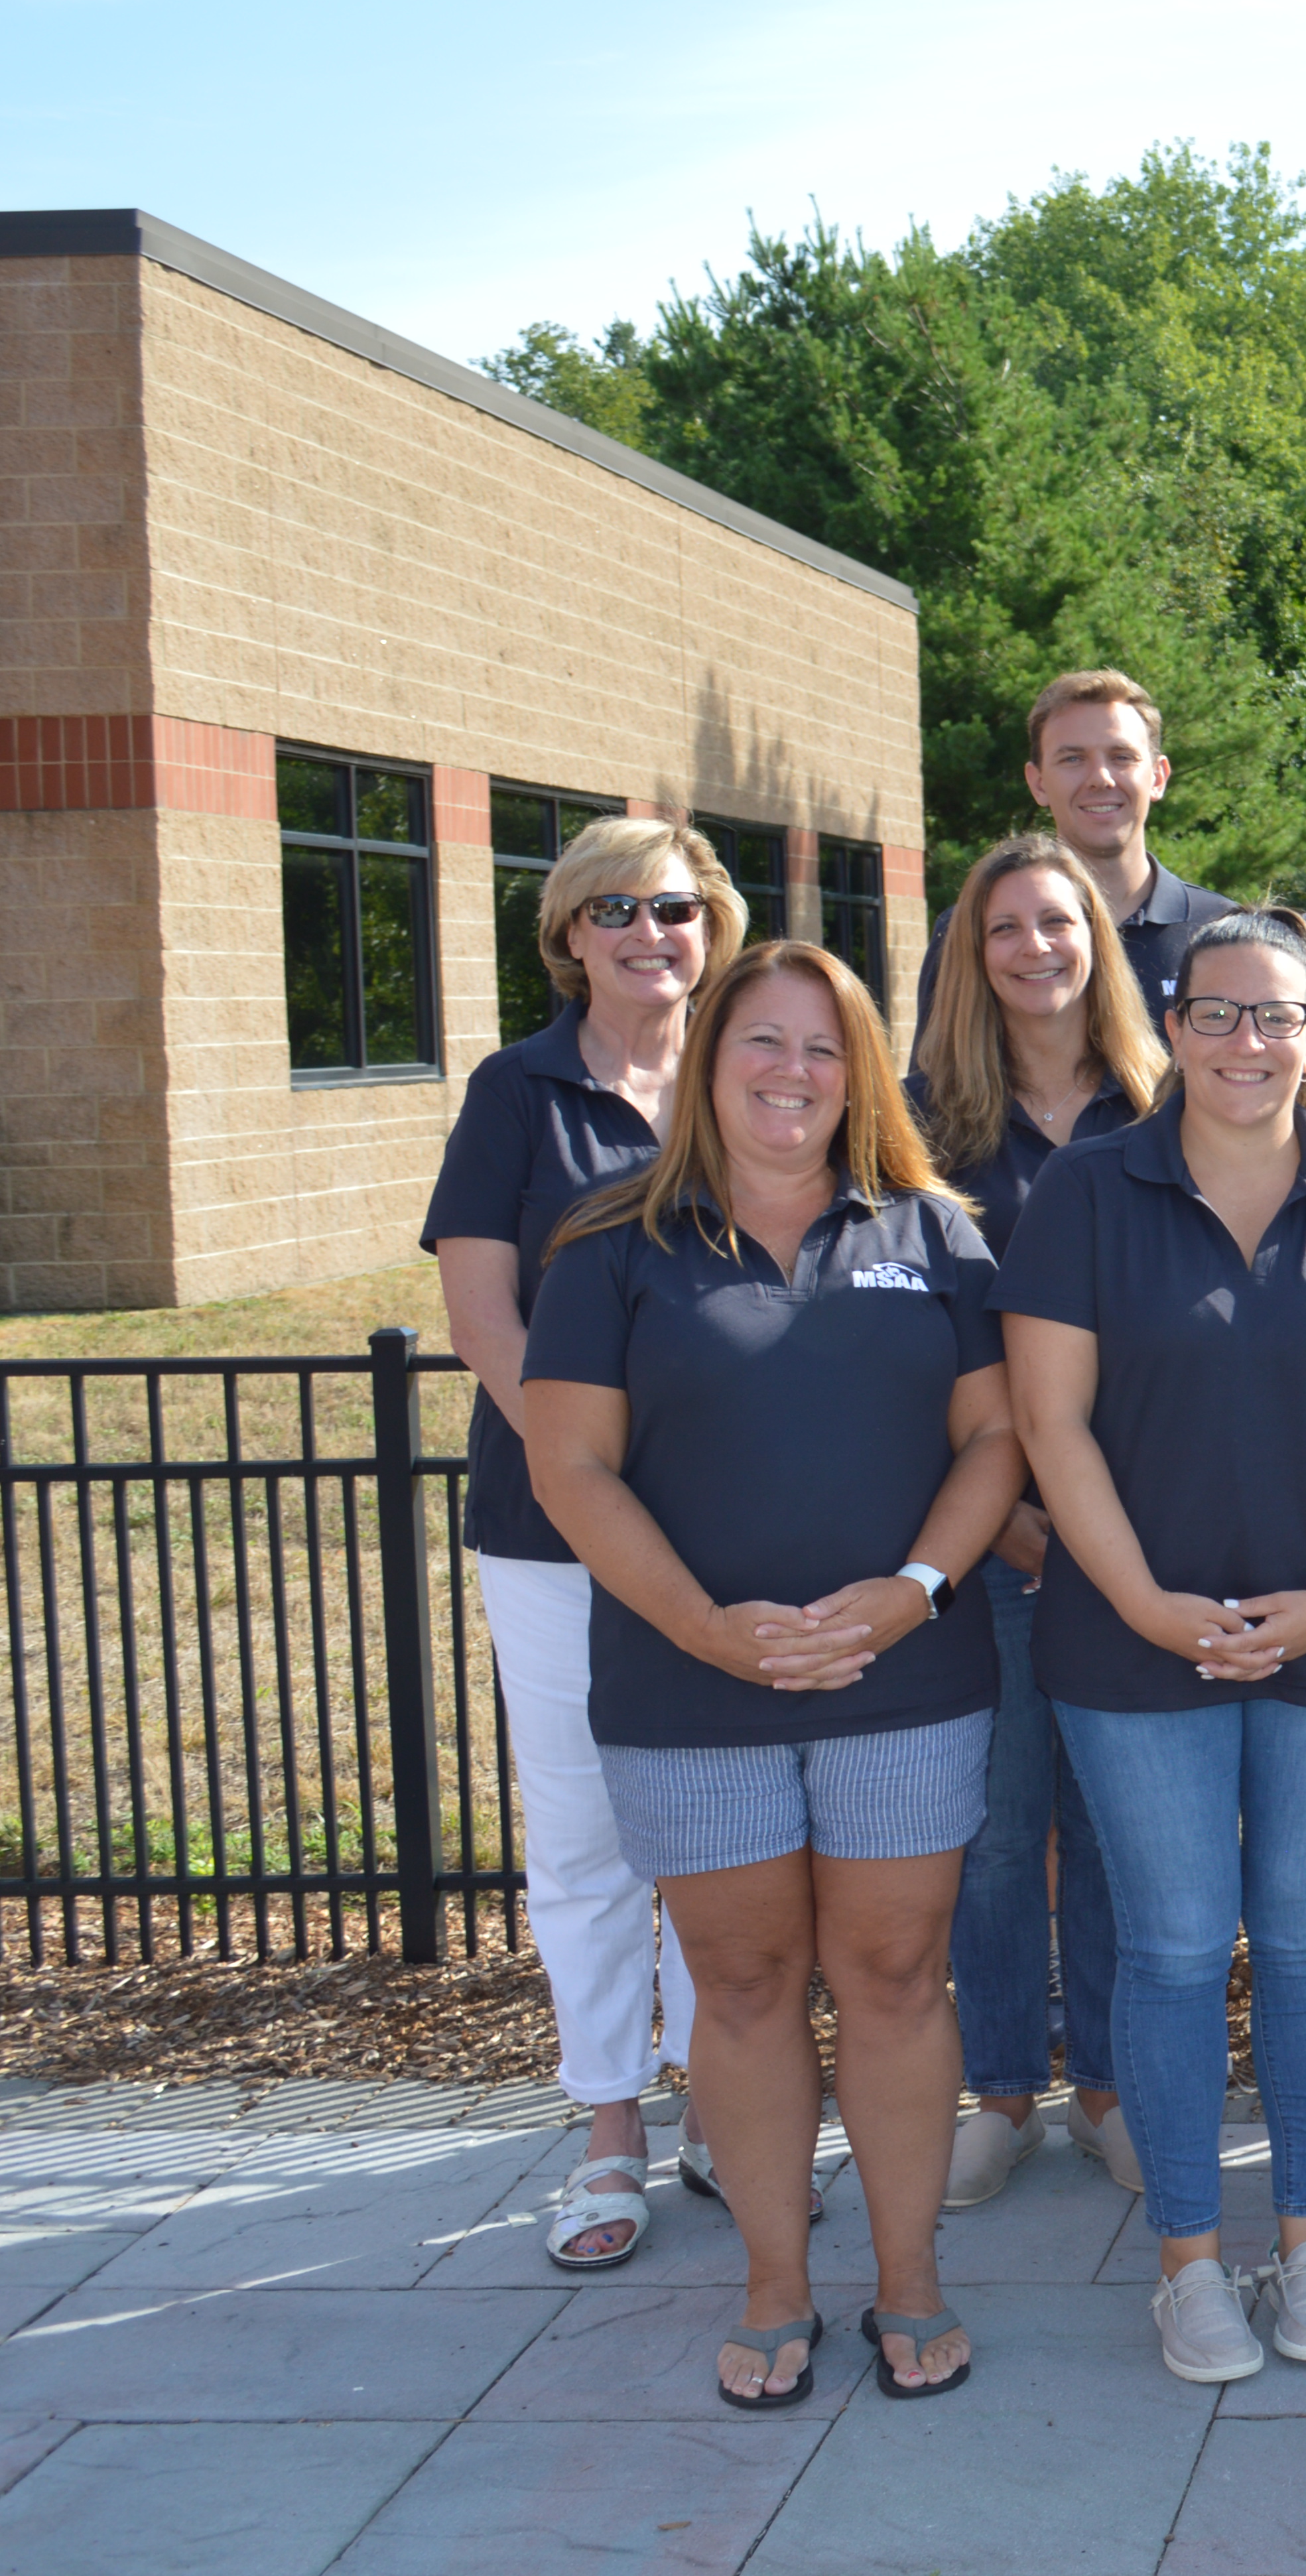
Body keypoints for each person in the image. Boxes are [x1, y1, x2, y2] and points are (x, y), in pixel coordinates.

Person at [521, 940, 1020, 2408]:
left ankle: (909, 2278)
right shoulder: (609, 1244)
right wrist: (702, 1625)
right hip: (694, 1685)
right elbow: (571, 1465)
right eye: (761, 1042)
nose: (791, 1072)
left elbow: (995, 1442)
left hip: (901, 1674)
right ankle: (773, 2281)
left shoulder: (935, 1235)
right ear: (708, 1061)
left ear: (859, 1069)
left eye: (822, 1046)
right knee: (739, 1981)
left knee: (891, 1972)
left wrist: (911, 1591)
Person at [998, 908, 1306, 2383]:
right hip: (1134, 1644)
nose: (1245, 1043)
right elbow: (1049, 1421)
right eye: (1215, 1014)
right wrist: (1135, 1595)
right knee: (1180, 1945)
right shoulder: (1084, 1197)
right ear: (1172, 1024)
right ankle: (1192, 2261)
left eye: (1275, 1017)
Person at [426, 813, 745, 2271]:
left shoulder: (749, 1071)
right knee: (590, 1838)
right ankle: (610, 2127)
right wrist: (588, 1462)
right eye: (613, 909)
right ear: (567, 933)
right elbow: (484, 1314)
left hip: (736, 1522)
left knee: (721, 1830)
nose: (646, 934)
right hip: (554, 1527)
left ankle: (724, 2110)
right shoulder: (519, 1093)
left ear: (711, 928)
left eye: (672, 908)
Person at [902, 833, 1168, 2208]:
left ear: (1096, 940)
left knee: (1121, 1821)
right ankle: (1001, 2086)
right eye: (1004, 927)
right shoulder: (920, 1120)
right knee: (998, 1829)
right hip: (997, 1545)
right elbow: (915, 1332)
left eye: (1057, 922)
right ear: (973, 950)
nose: (1034, 947)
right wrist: (1006, 1516)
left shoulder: (1165, 1103)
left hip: (1139, 1539)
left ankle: (1113, 2082)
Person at [911, 669, 1238, 1040]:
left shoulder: (1226, 931)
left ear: (1158, 777)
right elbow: (933, 1090)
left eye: (1122, 757)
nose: (1101, 777)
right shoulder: (971, 932)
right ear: (1038, 783)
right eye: (1072, 759)